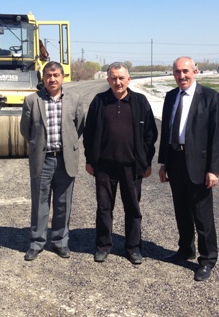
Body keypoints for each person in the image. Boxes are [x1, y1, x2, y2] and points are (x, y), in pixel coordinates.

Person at [158, 56, 219, 281]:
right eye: (177, 72)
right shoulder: (171, 96)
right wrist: (163, 163)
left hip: (199, 164)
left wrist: (214, 170)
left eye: (185, 71)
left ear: (195, 71)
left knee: (202, 215)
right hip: (175, 161)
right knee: (181, 211)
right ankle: (185, 249)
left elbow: (217, 136)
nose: (182, 76)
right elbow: (167, 132)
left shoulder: (210, 97)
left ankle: (207, 260)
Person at [83, 62, 158, 265]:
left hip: (131, 167)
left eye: (121, 78)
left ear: (129, 79)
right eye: (114, 78)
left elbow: (150, 134)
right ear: (108, 80)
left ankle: (133, 248)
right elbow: (89, 133)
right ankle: (103, 246)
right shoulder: (99, 101)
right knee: (104, 208)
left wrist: (146, 162)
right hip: (104, 167)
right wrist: (90, 160)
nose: (118, 82)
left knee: (133, 209)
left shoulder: (140, 102)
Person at [20, 61, 85, 261]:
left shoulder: (75, 99)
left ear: (62, 77)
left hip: (65, 159)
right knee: (39, 203)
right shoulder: (32, 100)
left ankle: (60, 242)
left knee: (63, 203)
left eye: (56, 75)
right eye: (48, 75)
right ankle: (37, 242)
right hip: (43, 160)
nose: (52, 79)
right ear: (43, 78)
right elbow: (25, 129)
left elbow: (79, 127)